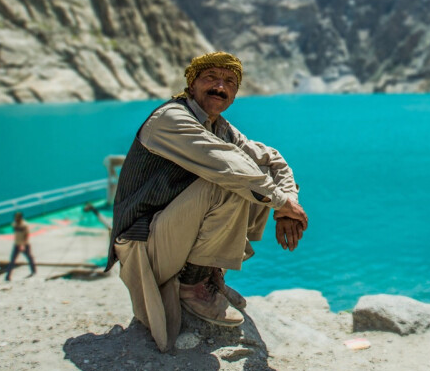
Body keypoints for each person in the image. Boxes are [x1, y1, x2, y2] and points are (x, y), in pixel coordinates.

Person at [107, 51, 308, 353]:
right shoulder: (171, 119)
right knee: (232, 181)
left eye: (229, 81)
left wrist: (287, 205)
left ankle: (209, 269)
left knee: (258, 172)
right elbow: (232, 171)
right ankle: (192, 284)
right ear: (191, 84)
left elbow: (273, 160)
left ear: (235, 92)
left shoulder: (221, 127)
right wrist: (280, 203)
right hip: (143, 242)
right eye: (210, 78)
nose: (220, 87)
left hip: (170, 232)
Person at [4, 212, 36, 281]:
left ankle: (33, 271)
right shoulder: (14, 224)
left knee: (29, 257)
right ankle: (8, 276)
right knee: (12, 260)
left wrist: (23, 245)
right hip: (16, 244)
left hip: (24, 244)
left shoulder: (24, 225)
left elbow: (26, 236)